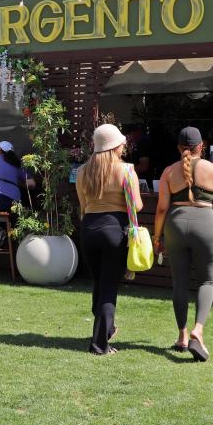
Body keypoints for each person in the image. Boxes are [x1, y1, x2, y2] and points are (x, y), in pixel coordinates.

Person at [153, 127, 213, 362]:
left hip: (175, 226)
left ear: (179, 148)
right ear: (201, 146)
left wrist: (157, 236)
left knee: (179, 281)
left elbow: (162, 208)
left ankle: (182, 336)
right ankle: (197, 331)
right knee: (206, 280)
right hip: (206, 225)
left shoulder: (169, 172)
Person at [76, 124, 143, 356]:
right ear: (115, 145)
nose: (124, 145)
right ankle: (100, 345)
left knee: (99, 284)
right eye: (122, 142)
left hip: (88, 230)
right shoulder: (126, 170)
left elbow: (83, 207)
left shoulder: (83, 171)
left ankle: (106, 329)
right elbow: (137, 205)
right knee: (108, 289)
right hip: (114, 229)